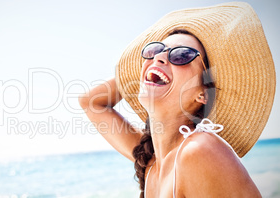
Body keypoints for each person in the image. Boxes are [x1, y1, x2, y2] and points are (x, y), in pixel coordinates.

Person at [79, 2, 275, 197]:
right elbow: (91, 102)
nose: (160, 56)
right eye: (155, 50)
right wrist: (146, 70)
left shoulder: (199, 151)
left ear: (203, 94)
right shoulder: (152, 162)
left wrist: (153, 68)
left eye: (182, 55)